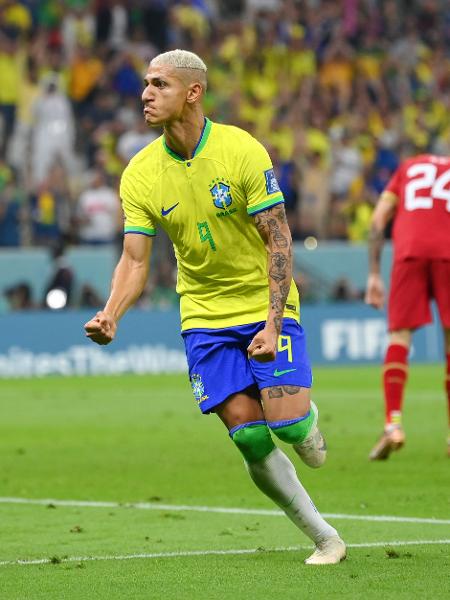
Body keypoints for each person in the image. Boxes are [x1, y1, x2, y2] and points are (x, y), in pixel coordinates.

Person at [84, 49, 346, 565]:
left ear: (194, 92)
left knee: (290, 426)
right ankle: (325, 537)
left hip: (263, 303)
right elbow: (135, 261)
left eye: (159, 84)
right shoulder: (139, 172)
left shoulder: (241, 150)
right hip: (203, 316)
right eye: (145, 84)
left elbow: (279, 242)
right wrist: (112, 311)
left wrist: (273, 323)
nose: (146, 94)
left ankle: (304, 421)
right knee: (249, 438)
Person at [365, 154, 450, 460]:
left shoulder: (408, 168)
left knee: (399, 337)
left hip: (410, 251)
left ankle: (393, 425)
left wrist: (374, 274)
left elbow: (378, 220)